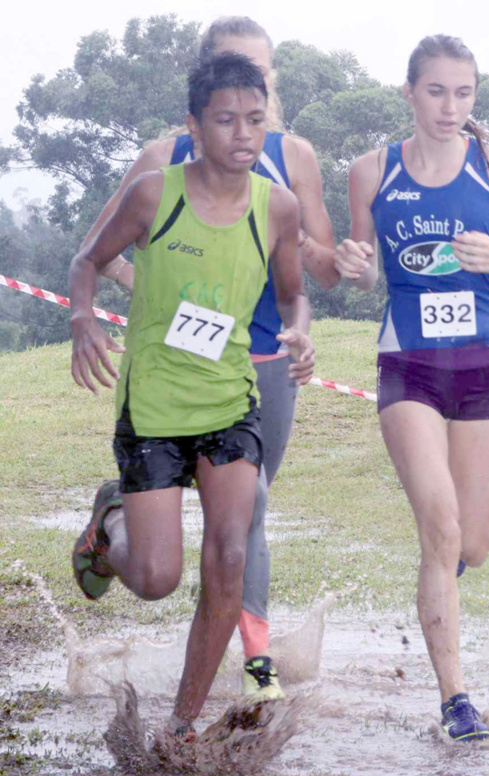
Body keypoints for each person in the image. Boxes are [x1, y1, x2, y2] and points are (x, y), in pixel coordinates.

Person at [78, 16, 338, 701]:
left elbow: (305, 287)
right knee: (164, 568)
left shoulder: (284, 185)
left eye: (256, 110)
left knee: (237, 529)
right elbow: (94, 255)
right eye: (227, 115)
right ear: (196, 115)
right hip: (163, 390)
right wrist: (121, 313)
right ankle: (115, 520)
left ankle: (219, 692)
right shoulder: (157, 174)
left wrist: (304, 323)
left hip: (247, 381)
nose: (244, 129)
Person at [335, 35, 489, 742]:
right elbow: (365, 267)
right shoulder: (371, 170)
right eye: (436, 91)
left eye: (463, 92)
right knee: (439, 528)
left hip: (484, 365)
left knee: (474, 541)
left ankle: (436, 594)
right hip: (408, 367)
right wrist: (353, 265)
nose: (449, 105)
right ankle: (454, 699)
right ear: (409, 92)